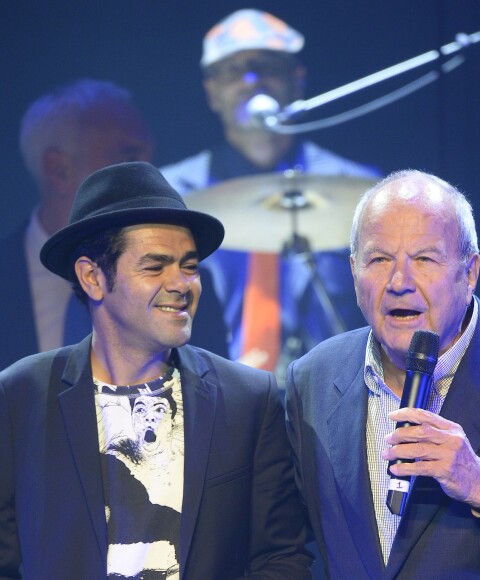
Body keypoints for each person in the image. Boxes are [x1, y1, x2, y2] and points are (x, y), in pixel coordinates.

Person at [0, 161, 312, 578]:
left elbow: (281, 556)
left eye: (189, 265)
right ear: (92, 277)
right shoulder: (21, 396)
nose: (182, 283)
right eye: (155, 266)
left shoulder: (248, 399)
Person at [285, 169, 480, 578]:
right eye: (379, 259)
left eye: (424, 259)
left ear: (470, 272)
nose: (399, 281)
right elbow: (283, 544)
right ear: (354, 271)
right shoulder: (312, 377)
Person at [161, 9, 381, 374]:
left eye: (267, 66)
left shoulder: (360, 187)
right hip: (205, 393)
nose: (251, 80)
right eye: (232, 71)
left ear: (297, 81)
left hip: (326, 393)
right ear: (212, 92)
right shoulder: (171, 192)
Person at [0, 78, 227, 371]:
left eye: (149, 155)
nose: (147, 170)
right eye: (128, 155)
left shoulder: (186, 284)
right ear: (58, 169)